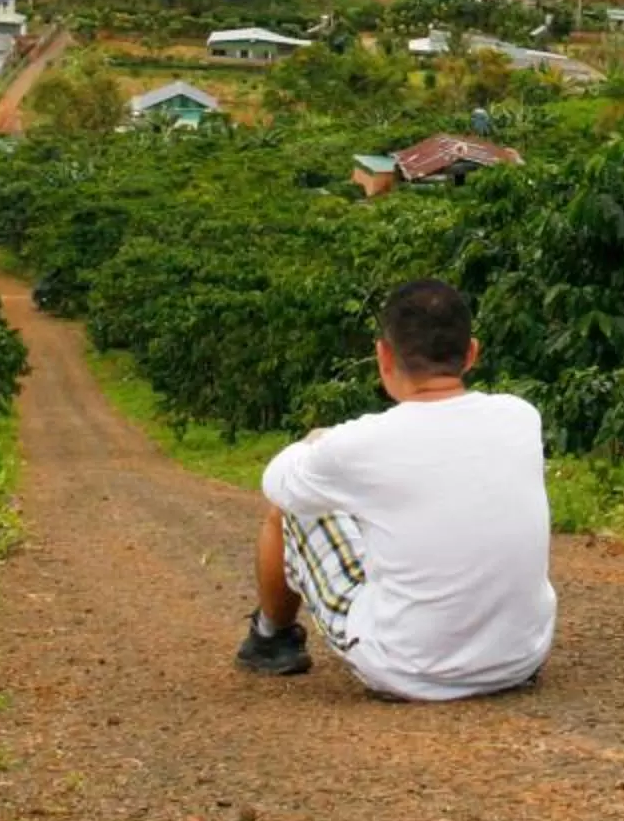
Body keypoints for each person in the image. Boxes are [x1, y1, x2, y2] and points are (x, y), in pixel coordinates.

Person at [237, 277, 556, 700]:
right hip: (519, 659)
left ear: (383, 356)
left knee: (296, 508)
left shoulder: (361, 443)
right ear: (472, 353)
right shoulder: (521, 416)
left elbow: (278, 483)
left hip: (406, 667)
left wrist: (316, 441)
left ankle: (271, 638)